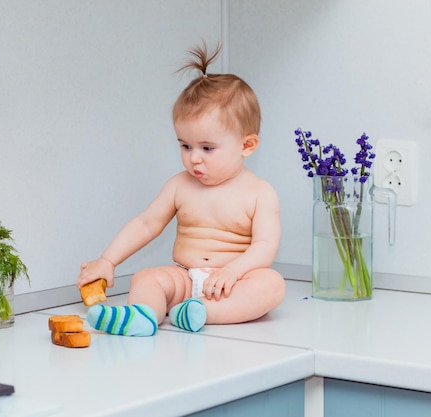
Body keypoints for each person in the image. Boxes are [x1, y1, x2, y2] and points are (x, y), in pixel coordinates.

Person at [76, 42, 286, 337]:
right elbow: (146, 224)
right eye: (185, 146)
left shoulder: (259, 193)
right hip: (185, 278)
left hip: (233, 283)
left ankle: (202, 313)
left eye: (207, 147)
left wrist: (233, 272)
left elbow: (264, 246)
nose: (193, 157)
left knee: (271, 285)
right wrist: (107, 260)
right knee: (147, 277)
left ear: (247, 145)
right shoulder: (179, 185)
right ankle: (143, 315)